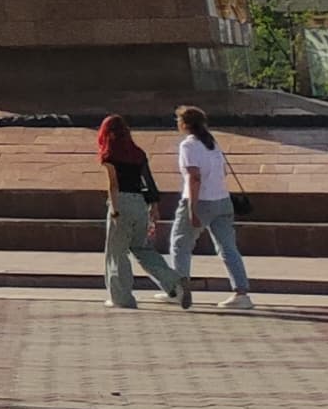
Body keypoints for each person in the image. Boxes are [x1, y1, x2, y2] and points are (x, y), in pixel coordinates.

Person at [167, 105, 256, 310]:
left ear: (185, 124)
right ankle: (242, 293)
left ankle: (179, 289)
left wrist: (192, 209)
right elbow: (223, 172)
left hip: (200, 201)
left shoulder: (188, 146)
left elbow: (194, 177)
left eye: (178, 120)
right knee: (228, 248)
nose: (177, 123)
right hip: (223, 201)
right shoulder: (212, 142)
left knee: (180, 245)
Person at [96, 115, 185, 308]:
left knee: (117, 253)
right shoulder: (138, 153)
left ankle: (121, 298)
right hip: (140, 204)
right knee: (142, 248)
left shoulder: (109, 155)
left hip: (121, 203)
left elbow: (113, 185)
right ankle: (174, 282)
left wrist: (115, 210)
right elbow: (149, 181)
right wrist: (154, 207)